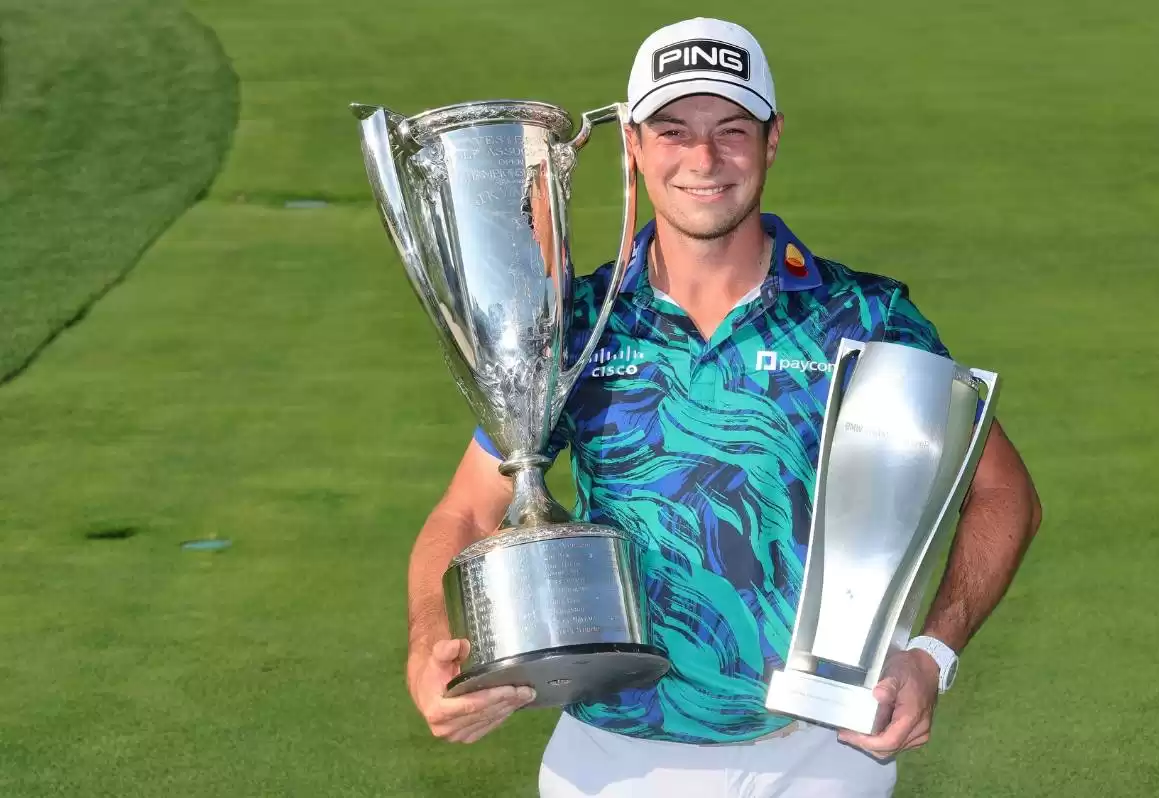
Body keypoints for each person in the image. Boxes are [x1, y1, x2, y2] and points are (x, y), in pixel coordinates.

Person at [404, 17, 1043, 798]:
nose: (704, 160)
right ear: (633, 146)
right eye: (674, 131)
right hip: (608, 757)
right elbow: (467, 513)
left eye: (731, 130)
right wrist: (431, 644)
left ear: (772, 140)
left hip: (819, 752)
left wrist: (931, 655)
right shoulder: (573, 322)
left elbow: (1003, 492)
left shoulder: (861, 315)